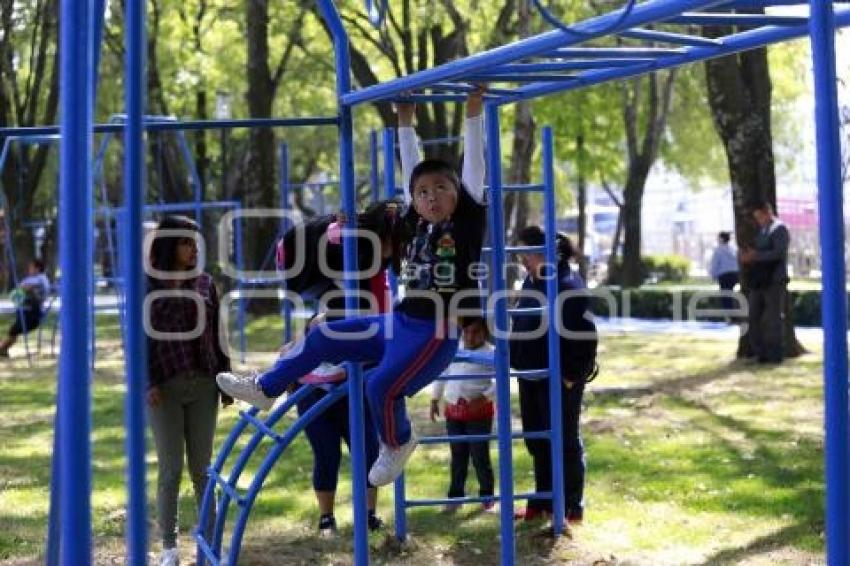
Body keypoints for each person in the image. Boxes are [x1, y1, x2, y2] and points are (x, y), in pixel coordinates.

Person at [217, 90, 487, 487]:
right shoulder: (413, 220)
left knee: (378, 385)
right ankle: (266, 387)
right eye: (423, 193)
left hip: (436, 331)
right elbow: (412, 169)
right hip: (398, 320)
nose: (432, 197)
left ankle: (399, 442)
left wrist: (473, 114)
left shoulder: (465, 221)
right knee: (324, 335)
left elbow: (473, 170)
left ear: (457, 194)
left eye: (442, 189)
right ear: (414, 199)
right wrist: (405, 120)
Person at [146, 216, 231, 566]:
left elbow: (217, 334)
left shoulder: (207, 283)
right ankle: (168, 547)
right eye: (186, 242)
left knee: (203, 469)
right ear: (170, 244)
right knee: (170, 469)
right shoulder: (148, 285)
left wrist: (225, 379)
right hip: (163, 387)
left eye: (195, 243)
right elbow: (137, 338)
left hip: (204, 384)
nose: (194, 249)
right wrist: (146, 382)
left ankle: (208, 543)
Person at [509, 226, 597, 525]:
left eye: (526, 253)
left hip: (558, 377)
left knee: (563, 439)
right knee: (537, 439)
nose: (522, 259)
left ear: (544, 253)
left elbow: (585, 337)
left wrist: (572, 376)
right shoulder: (532, 281)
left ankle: (572, 505)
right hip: (530, 375)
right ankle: (544, 499)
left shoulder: (567, 285)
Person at [430, 316, 495, 513]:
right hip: (454, 410)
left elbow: (499, 382)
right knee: (458, 455)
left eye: (475, 332)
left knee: (479, 455)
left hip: (479, 413)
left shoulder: (491, 353)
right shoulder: (454, 349)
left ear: (485, 333)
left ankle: (487, 497)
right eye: (466, 332)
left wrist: (484, 398)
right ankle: (455, 497)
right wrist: (435, 399)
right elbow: (442, 374)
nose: (470, 336)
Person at [740, 202, 790, 363]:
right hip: (759, 281)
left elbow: (778, 253)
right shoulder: (761, 231)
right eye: (757, 218)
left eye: (761, 217)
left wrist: (755, 256)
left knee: (773, 318)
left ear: (768, 213)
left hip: (774, 280)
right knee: (753, 316)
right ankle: (761, 354)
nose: (759, 220)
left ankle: (775, 355)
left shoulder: (780, 229)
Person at [0, 258, 51, 357]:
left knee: (13, 331)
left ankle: (2, 348)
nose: (29, 269)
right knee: (13, 331)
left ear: (37, 268)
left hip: (31, 315)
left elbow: (24, 288)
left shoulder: (40, 279)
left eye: (31, 267)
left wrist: (21, 289)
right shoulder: (37, 278)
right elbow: (17, 293)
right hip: (26, 312)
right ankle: (3, 349)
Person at [707, 231, 739, 313]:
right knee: (731, 294)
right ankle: (736, 313)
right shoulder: (734, 249)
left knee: (726, 296)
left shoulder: (718, 250)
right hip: (735, 274)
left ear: (721, 239)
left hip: (724, 276)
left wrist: (712, 275)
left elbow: (715, 264)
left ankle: (730, 316)